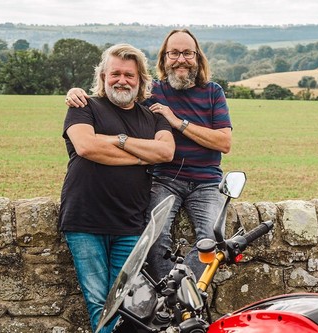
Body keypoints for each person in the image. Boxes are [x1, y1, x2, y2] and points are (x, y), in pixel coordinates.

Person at [66, 29, 233, 282]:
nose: (181, 59)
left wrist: (177, 122)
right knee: (153, 239)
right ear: (164, 59)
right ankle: (169, 294)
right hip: (163, 179)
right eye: (173, 53)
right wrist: (75, 92)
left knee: (212, 238)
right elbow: (117, 94)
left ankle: (180, 289)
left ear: (198, 58)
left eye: (188, 53)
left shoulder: (213, 92)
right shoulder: (152, 92)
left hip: (207, 182)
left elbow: (224, 142)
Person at [60, 43, 175, 332]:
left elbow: (165, 153)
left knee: (125, 304)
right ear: (103, 77)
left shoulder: (154, 117)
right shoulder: (84, 106)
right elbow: (86, 146)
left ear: (140, 81)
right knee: (100, 303)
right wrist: (140, 156)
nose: (121, 80)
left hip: (130, 224)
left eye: (129, 75)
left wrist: (117, 140)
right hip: (85, 221)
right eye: (115, 74)